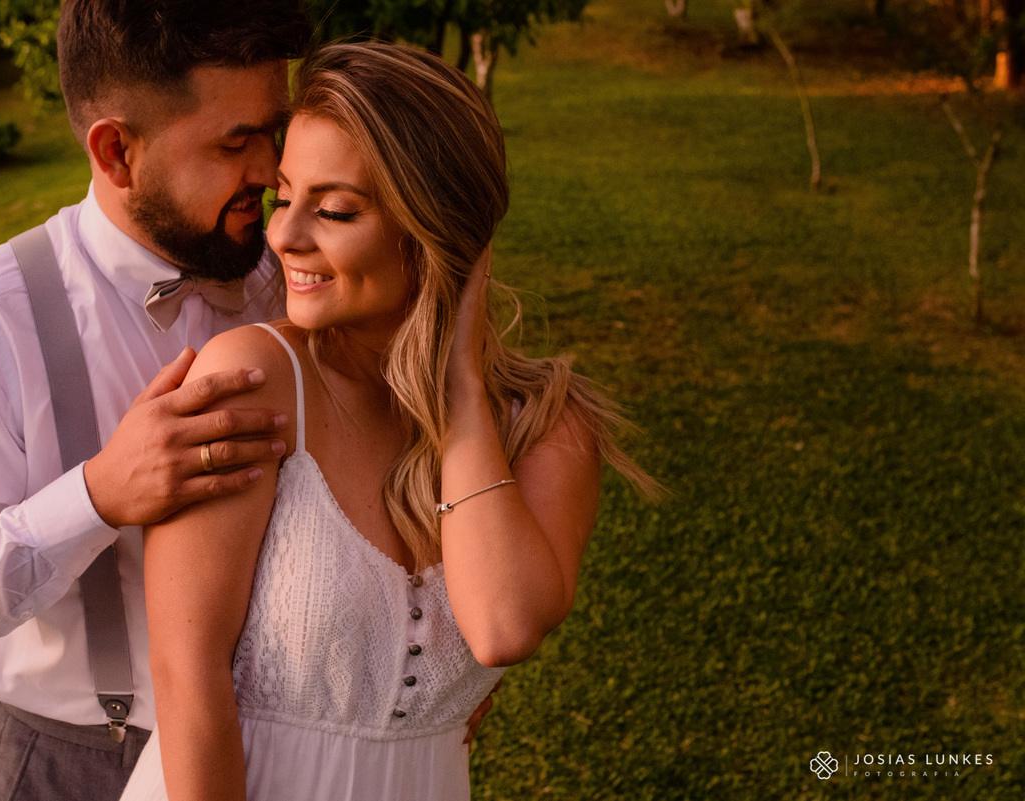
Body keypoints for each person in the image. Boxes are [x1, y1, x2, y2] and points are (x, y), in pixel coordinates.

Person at [122, 42, 660, 801]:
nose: (284, 236)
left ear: (435, 229)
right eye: (284, 197)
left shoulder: (548, 428)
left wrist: (464, 392)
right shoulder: (253, 381)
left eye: (335, 209)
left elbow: (502, 625)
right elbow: (188, 674)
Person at [0, 2, 310, 798]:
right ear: (117, 151)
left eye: (274, 130)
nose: (271, 172)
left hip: (288, 742)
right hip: (79, 764)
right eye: (235, 143)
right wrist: (95, 497)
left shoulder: (284, 274)